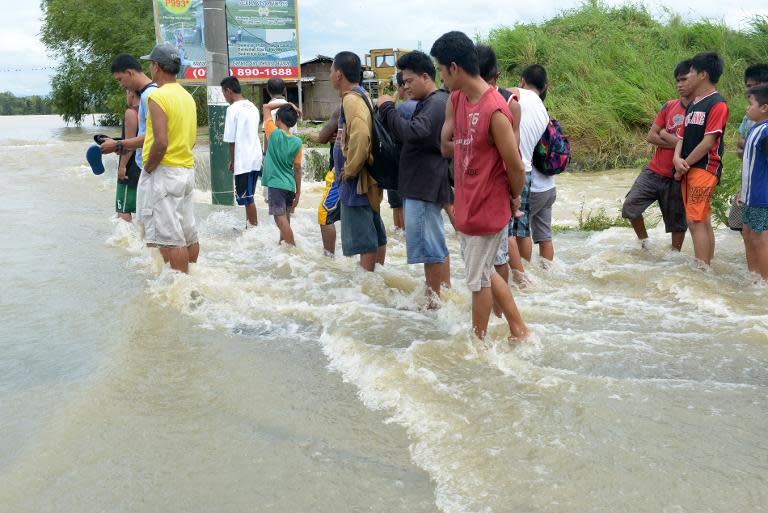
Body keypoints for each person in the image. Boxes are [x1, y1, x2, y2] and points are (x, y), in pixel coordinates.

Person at [432, 31, 528, 340]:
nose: (441, 78)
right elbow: (448, 145)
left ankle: (479, 343)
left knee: (478, 281)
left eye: (441, 70)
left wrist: (513, 198)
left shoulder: (495, 110)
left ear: (455, 68)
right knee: (483, 272)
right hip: (467, 203)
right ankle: (517, 329)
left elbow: (515, 166)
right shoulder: (459, 98)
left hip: (487, 207)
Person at [377, 51, 452, 307]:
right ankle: (441, 296)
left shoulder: (435, 103)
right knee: (435, 245)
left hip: (423, 186)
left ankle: (433, 303)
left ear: (425, 76)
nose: (405, 86)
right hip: (425, 184)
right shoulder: (435, 102)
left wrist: (387, 108)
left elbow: (414, 132)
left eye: (409, 81)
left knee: (430, 250)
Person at [140, 43, 199, 273]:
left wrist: (148, 166)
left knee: (172, 239)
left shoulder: (157, 97)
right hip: (186, 171)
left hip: (165, 173)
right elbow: (191, 140)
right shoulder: (187, 98)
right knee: (188, 233)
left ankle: (182, 290)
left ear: (156, 67)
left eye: (150, 64)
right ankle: (193, 277)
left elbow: (161, 142)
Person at [622, 60, 692, 251]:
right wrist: (677, 141)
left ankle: (674, 257)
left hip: (678, 176)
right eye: (678, 80)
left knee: (677, 222)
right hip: (654, 171)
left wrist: (667, 136)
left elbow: (693, 146)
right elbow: (651, 136)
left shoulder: (700, 111)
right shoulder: (669, 106)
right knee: (630, 206)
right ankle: (645, 243)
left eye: (684, 80)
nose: (680, 84)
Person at [330, 51, 386, 271]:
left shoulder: (351, 100)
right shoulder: (361, 95)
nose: (330, 74)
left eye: (331, 70)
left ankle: (367, 287)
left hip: (357, 181)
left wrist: (351, 169)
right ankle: (377, 279)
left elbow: (362, 135)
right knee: (374, 232)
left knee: (365, 240)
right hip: (367, 177)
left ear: (339, 75)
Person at [673, 51, 729, 267]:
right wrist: (677, 159)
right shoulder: (694, 104)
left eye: (692, 72)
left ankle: (702, 269)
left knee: (695, 221)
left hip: (705, 168)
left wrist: (682, 165)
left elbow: (708, 142)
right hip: (688, 168)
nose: (689, 75)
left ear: (703, 75)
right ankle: (707, 264)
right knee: (701, 219)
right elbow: (681, 136)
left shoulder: (717, 104)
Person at [101, 54, 157, 227]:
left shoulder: (143, 102)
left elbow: (152, 138)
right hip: (152, 169)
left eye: (120, 80)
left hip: (139, 167)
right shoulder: (159, 93)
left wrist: (120, 159)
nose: (121, 85)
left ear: (130, 73)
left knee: (124, 211)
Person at [221, 76, 262, 228]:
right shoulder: (252, 106)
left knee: (247, 198)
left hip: (243, 159)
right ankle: (250, 226)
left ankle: (253, 229)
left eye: (224, 93)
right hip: (255, 157)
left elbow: (232, 141)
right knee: (248, 196)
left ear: (229, 91)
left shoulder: (232, 110)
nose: (224, 97)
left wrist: (233, 161)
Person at [262, 102, 303, 246]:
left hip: (276, 184)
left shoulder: (273, 133)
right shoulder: (297, 142)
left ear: (277, 118)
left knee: (279, 219)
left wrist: (289, 103)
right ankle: (283, 245)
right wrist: (298, 193)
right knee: (285, 218)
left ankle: (292, 248)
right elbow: (297, 168)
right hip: (290, 186)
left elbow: (266, 107)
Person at [739, 84, 768, 279]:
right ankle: (754, 279)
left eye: (750, 104)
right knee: (748, 235)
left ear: (764, 107)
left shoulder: (766, 132)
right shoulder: (754, 129)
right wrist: (742, 190)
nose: (747, 108)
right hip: (749, 197)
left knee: (760, 239)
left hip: (761, 198)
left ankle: (764, 282)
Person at [386, 71, 416, 231]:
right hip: (410, 167)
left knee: (398, 206)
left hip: (397, 165)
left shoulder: (399, 110)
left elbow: (383, 111)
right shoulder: (423, 106)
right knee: (401, 205)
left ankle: (401, 235)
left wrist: (396, 93)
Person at [309, 107, 341, 255]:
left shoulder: (341, 109)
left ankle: (329, 259)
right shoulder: (365, 102)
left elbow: (321, 137)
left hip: (338, 171)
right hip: (357, 169)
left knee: (324, 214)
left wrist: (310, 134)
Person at [115, 89, 140, 222]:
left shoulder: (131, 112)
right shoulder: (150, 110)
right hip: (146, 166)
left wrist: (122, 166)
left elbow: (130, 144)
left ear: (132, 92)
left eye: (126, 92)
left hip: (131, 169)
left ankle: (126, 243)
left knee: (123, 211)